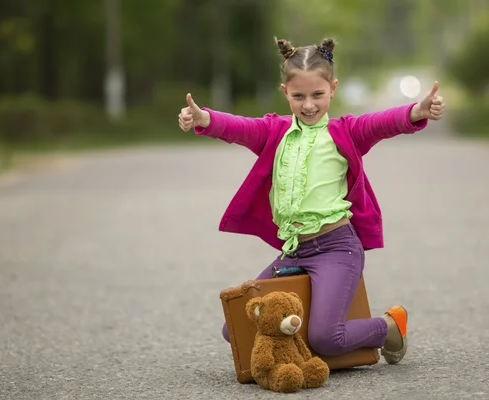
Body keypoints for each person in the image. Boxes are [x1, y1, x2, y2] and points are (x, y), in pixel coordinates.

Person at [177, 37, 445, 364]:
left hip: (336, 248)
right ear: (284, 92)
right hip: (294, 250)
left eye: (317, 94)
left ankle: (387, 326)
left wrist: (416, 110)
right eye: (298, 96)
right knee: (236, 326)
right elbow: (239, 127)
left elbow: (382, 123)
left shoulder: (345, 131)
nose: (308, 105)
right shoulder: (273, 132)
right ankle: (299, 356)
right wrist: (204, 118)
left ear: (332, 88)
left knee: (326, 336)